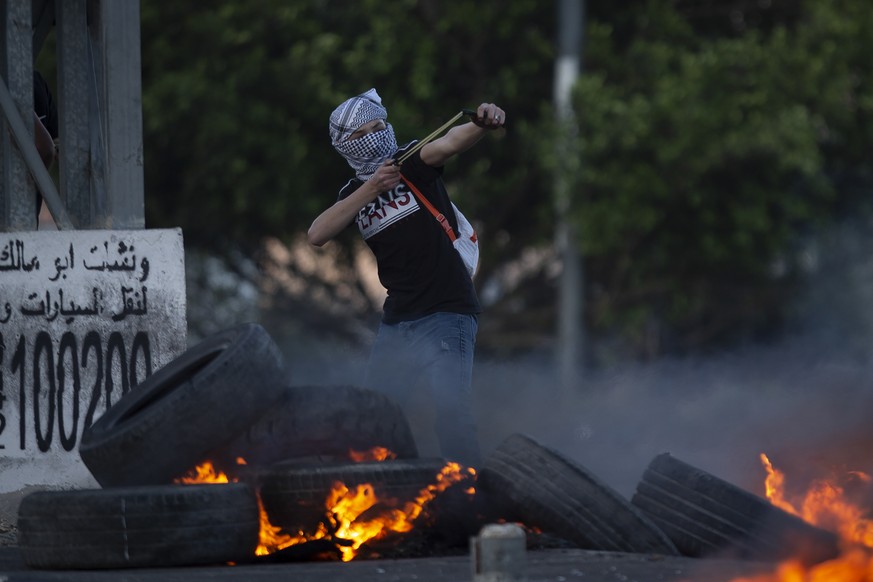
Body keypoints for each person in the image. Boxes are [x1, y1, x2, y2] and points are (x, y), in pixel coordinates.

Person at [308, 89, 505, 467]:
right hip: (398, 321)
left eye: (380, 124)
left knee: (451, 413)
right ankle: (379, 496)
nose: (377, 134)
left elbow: (448, 143)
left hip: (447, 309)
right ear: (344, 145)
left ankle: (472, 497)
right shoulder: (354, 193)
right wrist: (371, 189)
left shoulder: (409, 161)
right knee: (374, 416)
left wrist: (480, 124)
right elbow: (317, 234)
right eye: (363, 132)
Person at [33, 70, 59, 222]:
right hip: (27, 216)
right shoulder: (37, 81)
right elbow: (52, 149)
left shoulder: (37, 82)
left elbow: (50, 149)